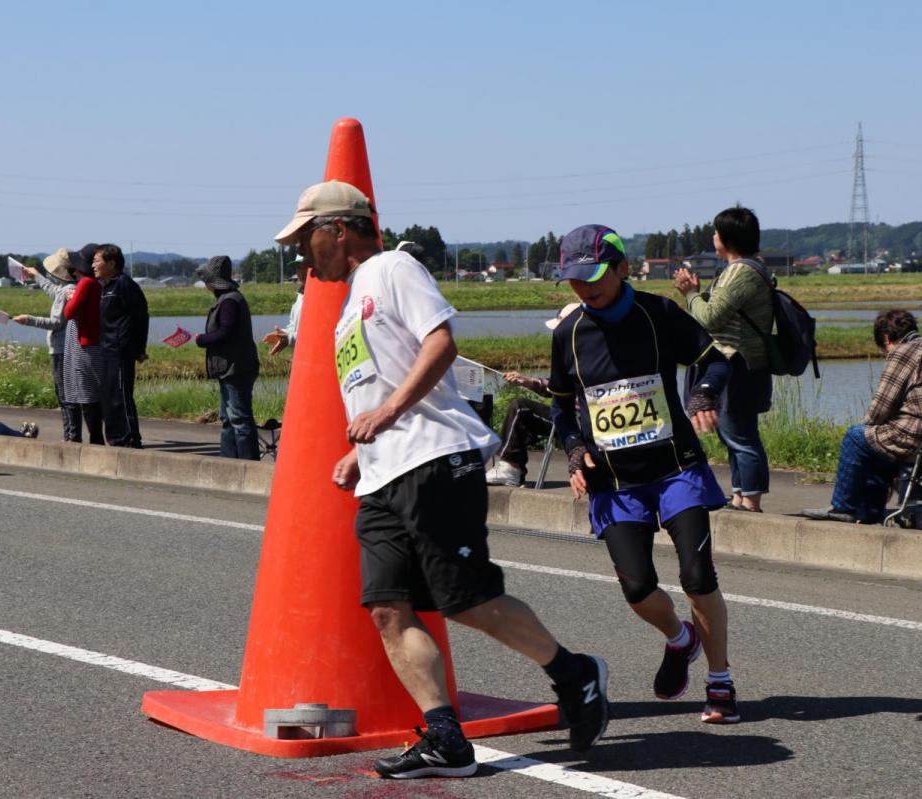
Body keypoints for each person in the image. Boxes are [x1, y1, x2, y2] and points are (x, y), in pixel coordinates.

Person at [274, 181, 609, 780]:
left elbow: (442, 344)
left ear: (338, 230)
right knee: (387, 608)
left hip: (436, 461)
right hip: (381, 476)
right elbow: (377, 386)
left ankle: (574, 673)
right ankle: (445, 738)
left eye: (305, 239)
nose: (301, 254)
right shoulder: (347, 306)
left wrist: (388, 415)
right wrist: (362, 453)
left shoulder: (392, 268)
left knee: (467, 600)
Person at [550, 223, 741, 725]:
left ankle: (720, 681)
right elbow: (561, 407)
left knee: (698, 576)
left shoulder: (658, 314)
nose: (585, 288)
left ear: (622, 268)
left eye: (594, 276)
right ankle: (680, 639)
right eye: (575, 280)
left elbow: (715, 361)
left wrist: (703, 394)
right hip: (614, 484)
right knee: (637, 588)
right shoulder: (569, 334)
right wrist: (574, 451)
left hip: (676, 469)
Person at [804, 310, 922, 524]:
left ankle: (843, 507)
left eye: (882, 349)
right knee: (877, 443)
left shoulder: (902, 352)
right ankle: (870, 512)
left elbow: (880, 407)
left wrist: (866, 431)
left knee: (856, 437)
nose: (884, 354)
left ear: (885, 338)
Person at [674, 207, 773, 513]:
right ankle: (740, 496)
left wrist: (690, 294)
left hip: (739, 363)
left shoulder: (741, 272)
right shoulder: (742, 269)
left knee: (740, 435)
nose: (713, 237)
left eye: (716, 232)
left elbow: (710, 318)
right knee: (733, 434)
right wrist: (698, 295)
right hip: (737, 361)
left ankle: (751, 501)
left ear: (728, 238)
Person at [485, 303, 581, 487]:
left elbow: (561, 388)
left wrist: (528, 382)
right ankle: (511, 468)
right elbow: (558, 386)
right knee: (522, 409)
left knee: (521, 408)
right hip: (570, 417)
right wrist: (526, 381)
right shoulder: (574, 350)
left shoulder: (580, 353)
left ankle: (511, 469)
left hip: (577, 421)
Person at [194, 255, 260, 460]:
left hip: (236, 367)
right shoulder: (228, 298)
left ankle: (249, 464)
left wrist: (202, 339)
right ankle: (229, 462)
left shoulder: (230, 300)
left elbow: (225, 332)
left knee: (238, 418)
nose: (205, 283)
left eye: (206, 279)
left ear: (213, 281)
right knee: (228, 418)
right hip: (230, 367)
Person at [13, 249, 82, 442]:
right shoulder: (68, 288)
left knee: (65, 395)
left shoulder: (67, 291)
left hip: (61, 349)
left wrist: (29, 319)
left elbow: (56, 323)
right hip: (66, 348)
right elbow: (53, 291)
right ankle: (71, 436)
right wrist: (36, 276)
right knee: (66, 395)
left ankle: (71, 437)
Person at [93, 244, 149, 448]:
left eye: (97, 261)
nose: (93, 265)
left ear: (111, 263)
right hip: (105, 349)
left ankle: (130, 439)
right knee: (107, 397)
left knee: (120, 396)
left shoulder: (125, 285)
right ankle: (115, 439)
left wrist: (139, 348)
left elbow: (141, 317)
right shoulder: (105, 286)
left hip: (120, 349)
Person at [62, 249, 105, 445]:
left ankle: (96, 440)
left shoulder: (86, 283)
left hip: (85, 345)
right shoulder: (99, 283)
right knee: (93, 392)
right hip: (94, 342)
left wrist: (71, 298)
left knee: (87, 394)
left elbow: (69, 312)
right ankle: (98, 438)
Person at [261, 255, 307, 356]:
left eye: (306, 267)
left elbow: (315, 334)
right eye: (298, 268)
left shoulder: (321, 297)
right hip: (300, 359)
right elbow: (293, 326)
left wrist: (288, 339)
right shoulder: (300, 296)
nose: (301, 272)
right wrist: (282, 334)